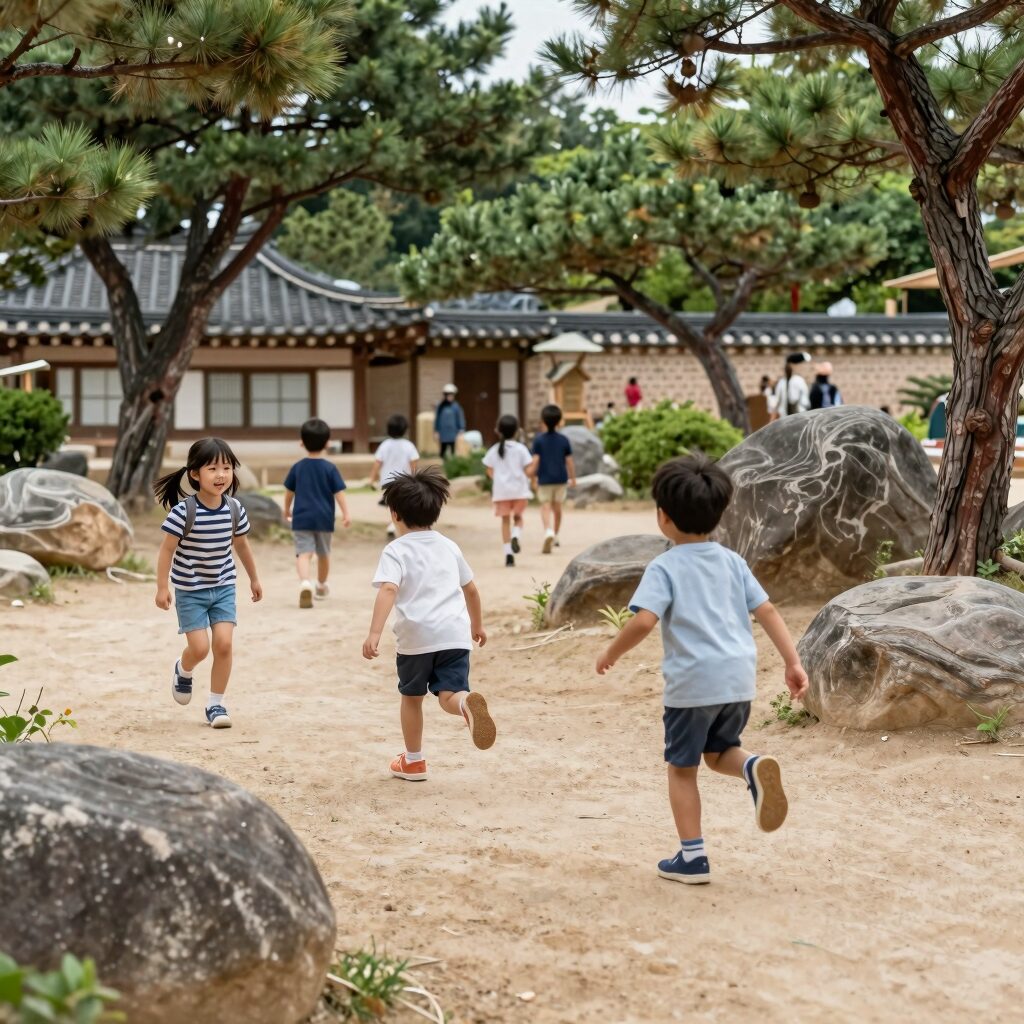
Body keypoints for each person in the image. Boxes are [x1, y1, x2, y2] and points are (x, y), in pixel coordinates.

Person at [595, 454, 808, 884]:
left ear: (664, 517)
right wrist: (792, 662)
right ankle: (752, 766)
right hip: (737, 680)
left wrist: (611, 652)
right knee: (718, 753)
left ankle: (692, 857)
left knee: (682, 767)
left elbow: (643, 620)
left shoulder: (665, 566)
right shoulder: (732, 561)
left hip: (693, 683)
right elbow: (767, 610)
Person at [362, 466, 495, 781]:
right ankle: (465, 704)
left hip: (416, 639)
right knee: (450, 694)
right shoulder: (449, 546)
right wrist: (477, 626)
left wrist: (374, 632)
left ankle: (414, 761)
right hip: (454, 634)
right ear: (436, 510)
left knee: (412, 698)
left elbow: (389, 589)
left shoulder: (396, 550)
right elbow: (471, 589)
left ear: (394, 514)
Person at [155, 437, 262, 730]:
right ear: (194, 473)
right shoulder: (183, 512)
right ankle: (183, 668)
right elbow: (167, 550)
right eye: (212, 468)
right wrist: (162, 587)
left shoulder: (234, 508)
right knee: (200, 649)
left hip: (224, 585)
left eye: (226, 468)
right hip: (190, 590)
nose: (221, 475)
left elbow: (241, 546)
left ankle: (216, 703)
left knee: (224, 645)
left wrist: (254, 578)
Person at [283, 418, 351, 609]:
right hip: (324, 517)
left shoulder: (297, 467)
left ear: (301, 443)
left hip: (302, 517)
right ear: (328, 443)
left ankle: (305, 582)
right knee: (323, 554)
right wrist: (346, 513)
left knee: (303, 553)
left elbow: (289, 492)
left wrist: (286, 509)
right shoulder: (330, 468)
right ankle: (321, 586)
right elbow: (339, 493)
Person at [482, 414, 533, 567]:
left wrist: (497, 480)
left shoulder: (494, 450)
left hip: (501, 492)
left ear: (498, 431)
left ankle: (508, 554)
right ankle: (516, 535)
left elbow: (489, 470)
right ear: (517, 431)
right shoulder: (521, 449)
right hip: (519, 490)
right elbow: (528, 468)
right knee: (518, 517)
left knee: (505, 521)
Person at [529, 403, 576, 554]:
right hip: (561, 479)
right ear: (559, 421)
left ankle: (548, 530)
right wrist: (573, 478)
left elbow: (535, 461)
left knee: (545, 506)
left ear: (543, 420)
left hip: (545, 479)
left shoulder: (539, 440)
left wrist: (531, 476)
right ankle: (555, 535)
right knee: (558, 508)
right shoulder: (564, 440)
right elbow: (569, 461)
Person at [372, 414, 419, 537]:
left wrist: (372, 479)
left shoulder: (384, 445)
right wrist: (415, 478)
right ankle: (395, 526)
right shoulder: (409, 445)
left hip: (387, 482)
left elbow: (377, 462)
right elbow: (414, 463)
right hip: (404, 481)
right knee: (400, 504)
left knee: (394, 504)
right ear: (405, 429)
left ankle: (394, 525)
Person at [772, 353, 811, 419]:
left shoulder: (781, 382)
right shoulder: (799, 381)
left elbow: (777, 401)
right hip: (799, 417)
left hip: (784, 418)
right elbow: (805, 402)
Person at [434, 384, 466, 458]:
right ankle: (443, 464)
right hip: (443, 432)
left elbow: (460, 418)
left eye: (451, 395)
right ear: (445, 395)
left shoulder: (456, 406)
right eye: (448, 395)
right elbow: (437, 419)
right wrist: (436, 431)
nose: (450, 397)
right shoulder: (440, 406)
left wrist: (461, 429)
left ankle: (452, 465)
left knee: (453, 451)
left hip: (453, 432)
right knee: (442, 451)